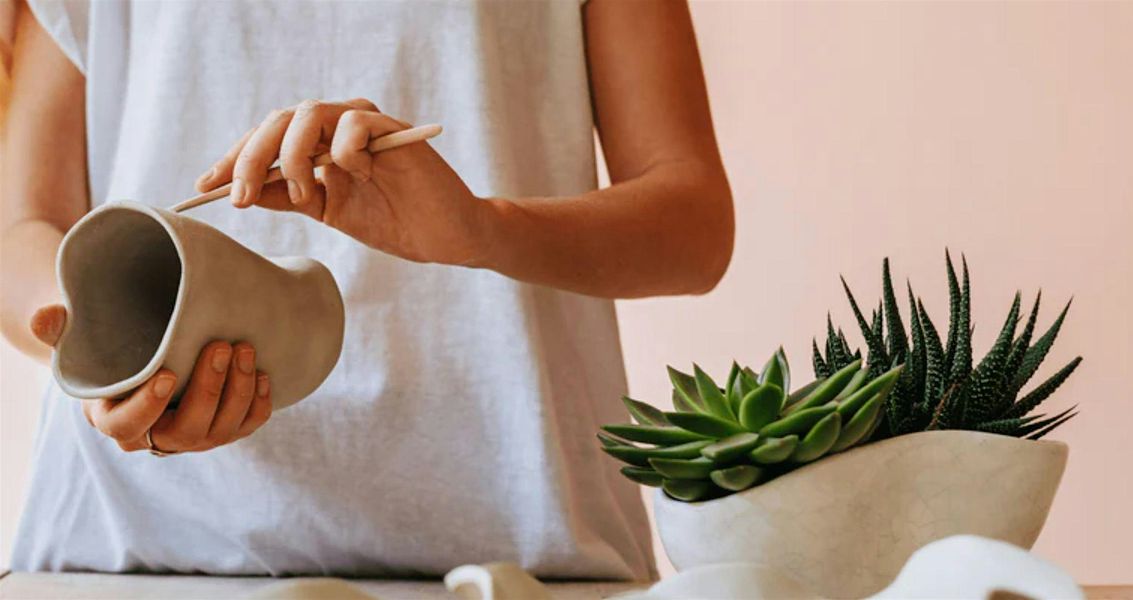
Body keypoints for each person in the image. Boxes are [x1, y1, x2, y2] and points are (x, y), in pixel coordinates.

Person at [0, 0, 732, 578]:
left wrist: (483, 229)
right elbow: (22, 229)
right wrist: (98, 354)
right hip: (131, 550)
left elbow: (694, 224)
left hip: (516, 552)